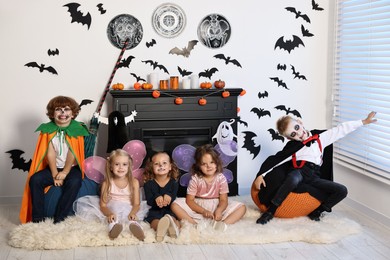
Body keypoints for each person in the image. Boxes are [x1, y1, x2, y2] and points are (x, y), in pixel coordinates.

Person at [254, 111, 377, 224]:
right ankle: (271, 211)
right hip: (298, 172)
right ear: (289, 138)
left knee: (342, 190)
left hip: (314, 176)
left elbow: (341, 129)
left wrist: (363, 122)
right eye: (293, 134)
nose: (299, 133)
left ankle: (318, 211)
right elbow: (276, 160)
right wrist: (261, 174)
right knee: (293, 179)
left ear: (300, 122)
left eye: (297, 128)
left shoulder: (321, 138)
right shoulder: (293, 147)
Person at [19, 96, 90, 224]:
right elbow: (50, 154)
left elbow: (71, 153)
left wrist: (64, 173)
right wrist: (54, 174)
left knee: (74, 182)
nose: (63, 113)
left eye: (67, 109)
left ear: (73, 113)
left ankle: (60, 218)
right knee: (35, 180)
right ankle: (38, 219)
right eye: (58, 109)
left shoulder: (77, 129)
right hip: (53, 168)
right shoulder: (48, 130)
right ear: (52, 113)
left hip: (71, 168)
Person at [73, 149, 149, 240]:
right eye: (117, 164)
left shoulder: (134, 182)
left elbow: (137, 204)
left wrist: (133, 212)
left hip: (129, 207)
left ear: (129, 166)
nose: (121, 167)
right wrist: (109, 213)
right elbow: (103, 205)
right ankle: (113, 229)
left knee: (131, 219)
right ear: (111, 167)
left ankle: (136, 229)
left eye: (124, 164)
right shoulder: (107, 183)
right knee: (112, 218)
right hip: (111, 206)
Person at [171, 144, 246, 231]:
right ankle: (194, 224)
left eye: (212, 162)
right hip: (198, 206)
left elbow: (223, 200)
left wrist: (219, 210)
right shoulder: (195, 178)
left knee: (242, 208)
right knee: (174, 205)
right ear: (198, 165)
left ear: (217, 163)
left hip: (217, 205)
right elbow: (189, 200)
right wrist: (203, 211)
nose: (208, 166)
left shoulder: (221, 178)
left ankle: (222, 224)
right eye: (204, 164)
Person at [143, 151, 181, 242]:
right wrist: (156, 198)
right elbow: (149, 200)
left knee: (172, 219)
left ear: (170, 167)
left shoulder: (174, 183)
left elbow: (174, 196)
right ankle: (161, 229)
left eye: (164, 163)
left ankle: (174, 229)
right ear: (152, 168)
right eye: (157, 164)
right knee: (154, 222)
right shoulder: (148, 184)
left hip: (169, 210)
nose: (161, 166)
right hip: (155, 210)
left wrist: (169, 197)